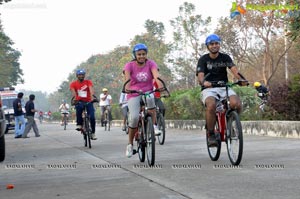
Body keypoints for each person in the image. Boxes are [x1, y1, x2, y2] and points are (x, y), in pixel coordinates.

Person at [196, 34, 247, 146]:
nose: (214, 46)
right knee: (211, 106)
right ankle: (211, 134)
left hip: (224, 87)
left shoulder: (225, 58)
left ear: (219, 45)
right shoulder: (203, 59)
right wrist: (204, 82)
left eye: (216, 43)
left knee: (236, 104)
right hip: (208, 89)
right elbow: (200, 75)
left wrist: (241, 79)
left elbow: (234, 71)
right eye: (212, 44)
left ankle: (231, 124)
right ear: (208, 46)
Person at [123, 43, 163, 158]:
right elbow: (127, 80)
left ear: (146, 54)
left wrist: (160, 86)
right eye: (139, 54)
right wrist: (127, 89)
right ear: (135, 55)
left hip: (147, 91)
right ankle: (130, 145)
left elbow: (156, 76)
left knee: (151, 100)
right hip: (134, 93)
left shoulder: (151, 63)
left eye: (143, 54)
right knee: (134, 117)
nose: (141, 56)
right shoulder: (129, 65)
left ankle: (154, 126)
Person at [70, 69, 97, 140]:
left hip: (88, 101)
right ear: (77, 76)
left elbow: (91, 90)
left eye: (82, 75)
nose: (81, 76)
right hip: (79, 101)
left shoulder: (88, 82)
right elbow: (74, 93)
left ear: (84, 75)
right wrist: (75, 99)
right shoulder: (73, 84)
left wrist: (92, 97)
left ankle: (93, 133)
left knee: (92, 118)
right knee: (78, 108)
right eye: (79, 75)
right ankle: (79, 124)